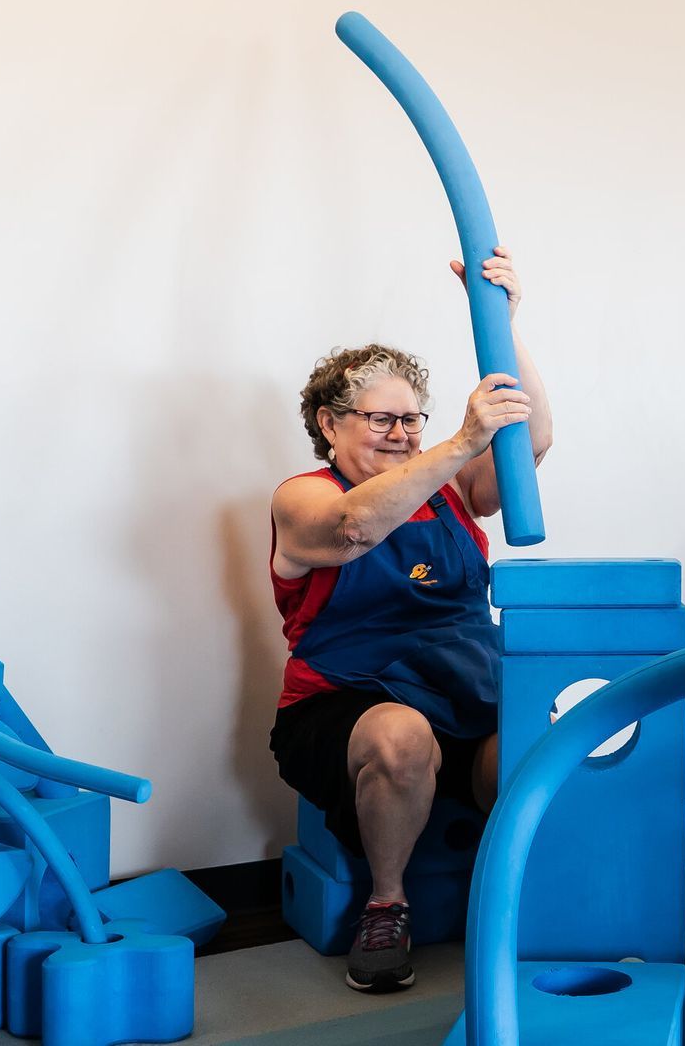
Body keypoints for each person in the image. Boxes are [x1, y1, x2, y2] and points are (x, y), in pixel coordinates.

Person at [267, 248, 551, 994]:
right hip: (344, 706)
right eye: (383, 419)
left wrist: (504, 325)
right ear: (330, 424)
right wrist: (460, 438)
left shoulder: (453, 485)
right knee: (401, 734)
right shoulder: (302, 496)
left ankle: (525, 898)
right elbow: (354, 529)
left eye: (412, 420)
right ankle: (386, 908)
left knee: (539, 742)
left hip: (465, 695)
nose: (401, 433)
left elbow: (536, 442)